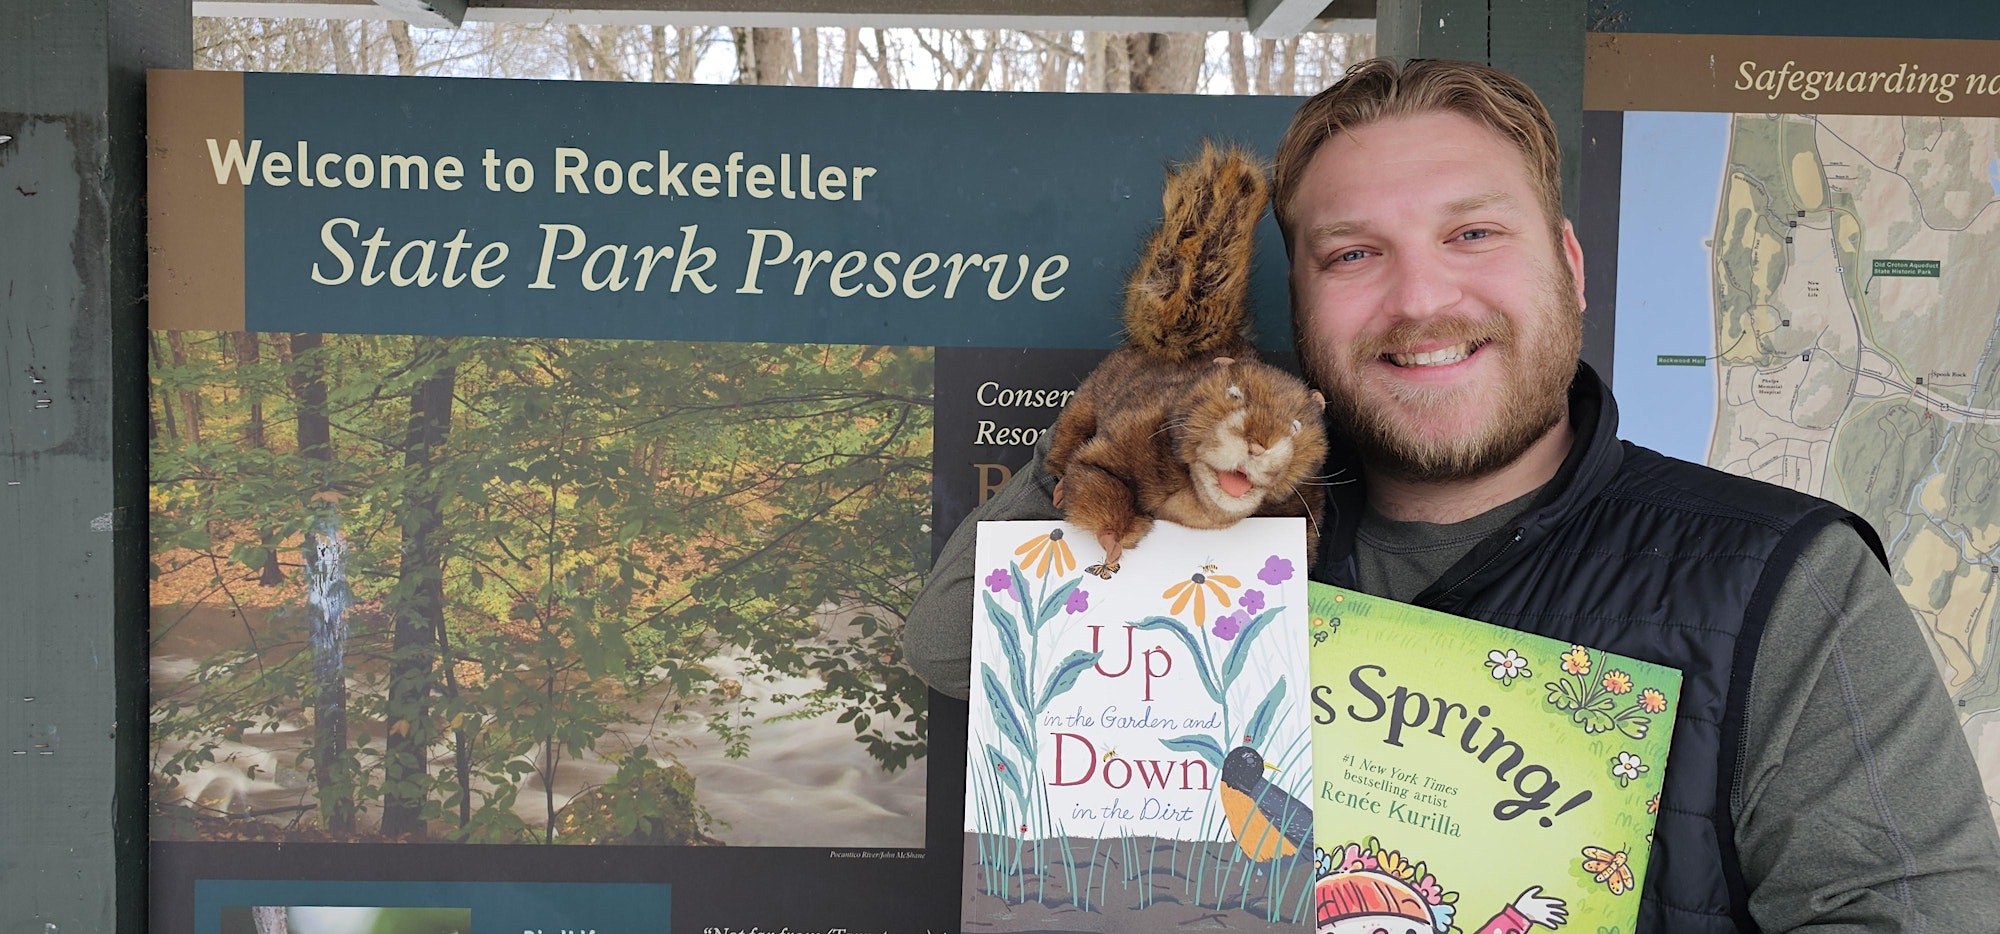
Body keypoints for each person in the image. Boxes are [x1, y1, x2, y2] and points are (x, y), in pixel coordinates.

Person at [904, 58, 2000, 932]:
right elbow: (952, 646)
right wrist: (1141, 407)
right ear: (1298, 308)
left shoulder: (1780, 580)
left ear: (1567, 265)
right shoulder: (1218, 532)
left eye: (1471, 234)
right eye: (1351, 254)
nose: (1421, 298)